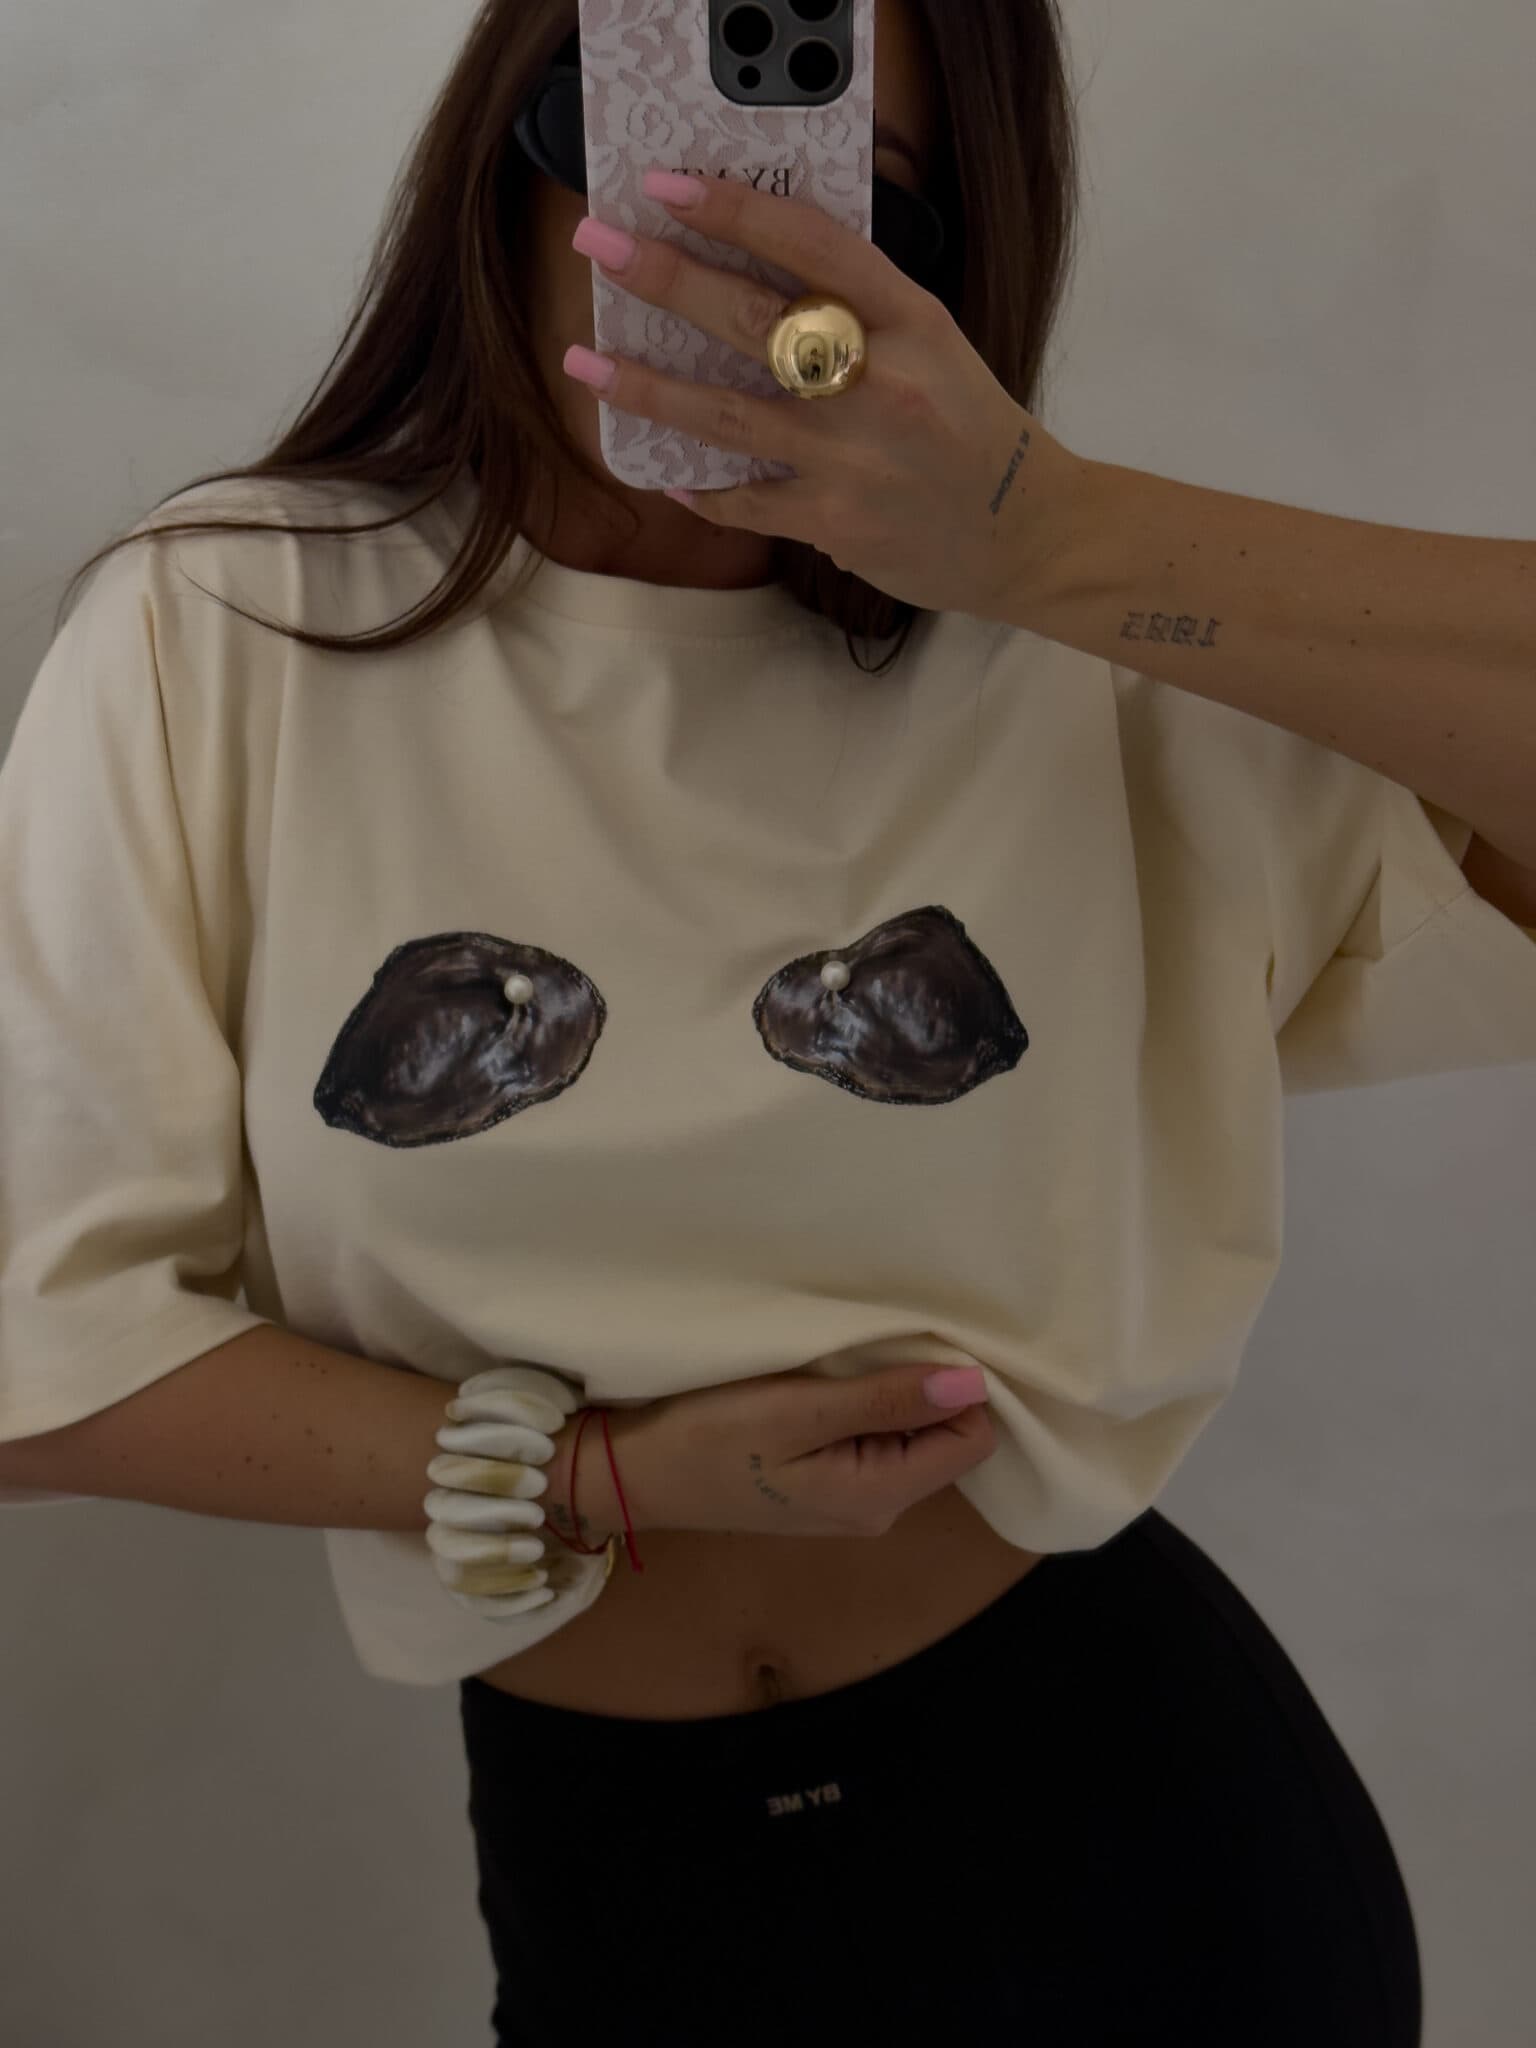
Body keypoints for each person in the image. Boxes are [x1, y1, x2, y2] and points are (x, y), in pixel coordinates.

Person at [9, 0, 1536, 2040]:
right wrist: (597, 1478)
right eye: (639, 139)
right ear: (507, 146)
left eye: (835, 190)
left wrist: (1054, 536)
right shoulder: (224, 635)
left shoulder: (1071, 661)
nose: (714, 249)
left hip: (1133, 1839)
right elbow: (40, 1350)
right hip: (629, 1878)